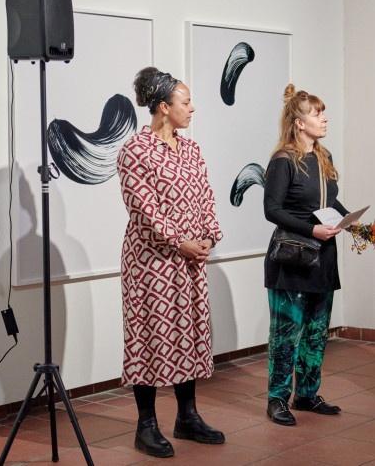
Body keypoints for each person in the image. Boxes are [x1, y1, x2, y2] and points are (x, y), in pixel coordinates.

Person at [117, 67, 225, 457]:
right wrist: (180, 242)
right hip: (152, 263)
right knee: (149, 335)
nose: (192, 108)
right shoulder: (134, 150)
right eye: (185, 101)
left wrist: (209, 237)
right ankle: (146, 426)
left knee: (190, 332)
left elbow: (207, 198)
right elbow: (143, 207)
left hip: (191, 259)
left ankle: (187, 416)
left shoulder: (191, 149)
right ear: (163, 107)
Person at [262, 84, 350, 426]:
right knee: (286, 334)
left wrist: (355, 223)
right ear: (299, 123)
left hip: (322, 258)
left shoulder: (323, 158)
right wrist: (311, 229)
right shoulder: (283, 160)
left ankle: (307, 395)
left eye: (322, 113)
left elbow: (327, 204)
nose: (324, 118)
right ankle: (277, 399)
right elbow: (272, 209)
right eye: (316, 114)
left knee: (316, 331)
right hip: (292, 258)